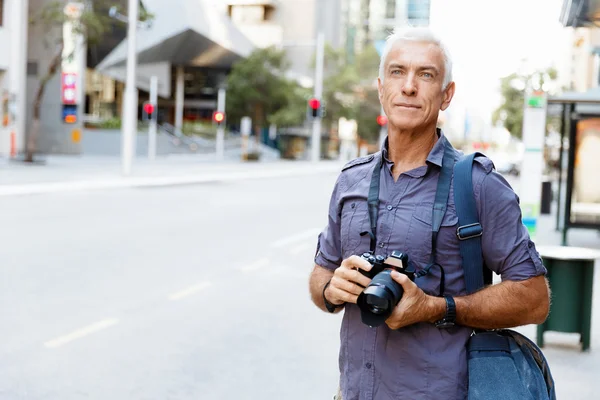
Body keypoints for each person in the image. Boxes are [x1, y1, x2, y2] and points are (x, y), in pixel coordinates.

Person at [308, 27, 550, 400]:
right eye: (397, 72)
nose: (408, 86)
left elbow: (535, 299)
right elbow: (320, 275)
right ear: (380, 87)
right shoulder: (350, 180)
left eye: (425, 74)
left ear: (446, 94)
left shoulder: (478, 186)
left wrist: (438, 308)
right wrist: (330, 288)